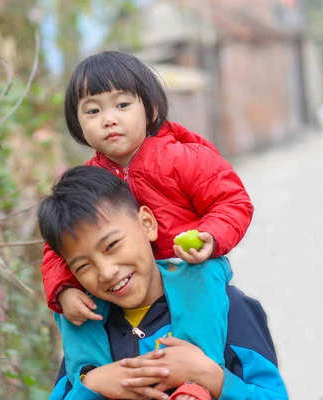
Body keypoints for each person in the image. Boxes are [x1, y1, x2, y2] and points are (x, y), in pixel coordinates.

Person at [40, 51, 254, 397]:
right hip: (120, 282)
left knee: (202, 283)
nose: (109, 119)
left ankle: (193, 381)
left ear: (150, 109)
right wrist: (63, 290)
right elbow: (57, 248)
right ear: (79, 125)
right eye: (93, 111)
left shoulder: (183, 157)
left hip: (186, 266)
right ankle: (91, 377)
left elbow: (232, 201)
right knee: (75, 307)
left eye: (121, 105)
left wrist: (210, 238)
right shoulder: (87, 182)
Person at [38, 165, 288, 399]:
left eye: (112, 246)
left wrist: (210, 376)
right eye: (83, 266)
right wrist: (91, 387)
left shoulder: (222, 306)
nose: (106, 272)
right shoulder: (90, 335)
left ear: (147, 223)